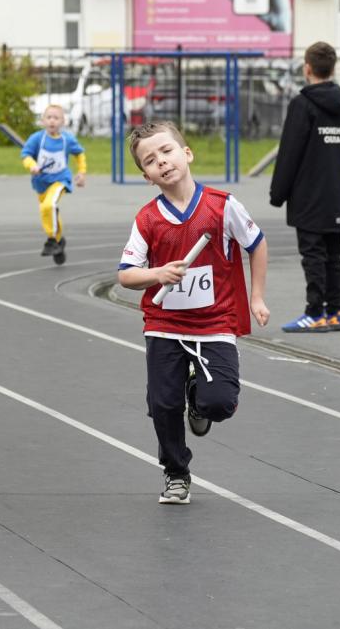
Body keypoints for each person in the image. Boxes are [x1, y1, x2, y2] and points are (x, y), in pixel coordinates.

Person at [118, 121, 270, 505]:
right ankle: (176, 472)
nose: (162, 163)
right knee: (161, 405)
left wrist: (257, 298)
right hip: (165, 324)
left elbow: (257, 244)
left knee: (220, 402)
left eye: (167, 152)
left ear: (186, 153)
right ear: (147, 176)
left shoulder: (222, 206)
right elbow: (126, 276)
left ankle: (198, 398)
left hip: (215, 322)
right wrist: (158, 273)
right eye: (151, 161)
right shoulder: (147, 220)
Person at [269, 41, 340, 332]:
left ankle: (315, 311)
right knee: (333, 254)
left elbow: (289, 152)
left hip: (308, 194)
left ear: (307, 69)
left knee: (313, 255)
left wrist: (277, 193)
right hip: (335, 193)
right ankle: (335, 312)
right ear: (333, 69)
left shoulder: (302, 105)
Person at [20, 104, 87, 265]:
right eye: (49, 117)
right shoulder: (37, 138)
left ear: (63, 121)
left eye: (56, 118)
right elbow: (25, 155)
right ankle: (58, 240)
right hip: (41, 182)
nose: (52, 121)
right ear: (43, 121)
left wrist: (81, 172)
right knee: (49, 212)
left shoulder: (67, 140)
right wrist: (32, 166)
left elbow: (79, 154)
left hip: (60, 180)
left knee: (48, 206)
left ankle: (52, 239)